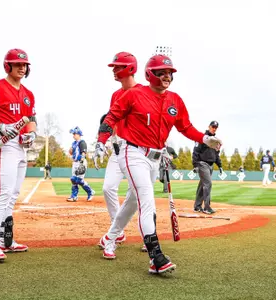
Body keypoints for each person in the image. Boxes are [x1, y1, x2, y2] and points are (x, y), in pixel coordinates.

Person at [93, 54, 222, 274]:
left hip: (154, 158)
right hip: (131, 152)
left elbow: (185, 127)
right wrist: (100, 142)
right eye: (161, 72)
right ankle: (156, 257)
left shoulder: (175, 100)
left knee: (133, 202)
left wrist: (204, 138)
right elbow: (111, 117)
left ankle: (110, 237)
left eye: (169, 73)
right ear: (149, 74)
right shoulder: (134, 94)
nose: (167, 76)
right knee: (146, 199)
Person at [0, 48, 37, 262]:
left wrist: (31, 134)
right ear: (7, 66)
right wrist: (1, 126)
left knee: (13, 194)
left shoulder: (28, 94)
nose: (22, 68)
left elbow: (31, 119)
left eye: (25, 65)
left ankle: (6, 240)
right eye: (17, 64)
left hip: (21, 146)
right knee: (3, 193)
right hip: (4, 144)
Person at [98, 52, 147, 251]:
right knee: (108, 188)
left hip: (140, 151)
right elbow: (113, 120)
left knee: (141, 195)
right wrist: (104, 142)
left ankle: (148, 236)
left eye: (117, 67)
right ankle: (117, 231)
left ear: (129, 69)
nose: (114, 71)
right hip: (119, 150)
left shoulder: (145, 91)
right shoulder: (116, 95)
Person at [192, 121, 223, 214]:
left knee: (203, 185)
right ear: (209, 126)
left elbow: (216, 154)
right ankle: (206, 207)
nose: (214, 128)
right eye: (213, 126)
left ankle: (197, 206)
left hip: (211, 165)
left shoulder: (216, 140)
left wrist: (220, 165)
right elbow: (195, 152)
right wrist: (195, 165)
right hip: (202, 163)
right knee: (208, 184)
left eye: (215, 127)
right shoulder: (202, 138)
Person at [67, 127, 95, 201]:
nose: (73, 135)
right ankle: (74, 196)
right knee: (73, 180)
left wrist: (81, 163)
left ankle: (90, 191)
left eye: (74, 134)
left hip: (81, 162)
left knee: (79, 180)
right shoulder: (73, 143)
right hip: (75, 163)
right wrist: (70, 150)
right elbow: (70, 152)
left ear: (79, 134)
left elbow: (83, 152)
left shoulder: (82, 142)